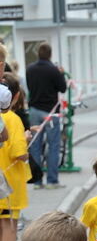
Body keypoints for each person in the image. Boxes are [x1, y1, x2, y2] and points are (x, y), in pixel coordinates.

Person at [0, 74, 33, 241]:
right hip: (9, 184)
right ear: (16, 96)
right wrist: (27, 139)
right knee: (10, 229)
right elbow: (19, 153)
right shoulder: (12, 119)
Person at [26, 42, 67, 188]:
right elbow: (62, 88)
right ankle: (52, 180)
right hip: (50, 112)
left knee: (35, 146)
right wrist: (61, 74)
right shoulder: (53, 70)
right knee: (53, 145)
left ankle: (37, 181)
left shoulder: (30, 69)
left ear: (38, 53)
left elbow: (30, 87)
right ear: (50, 54)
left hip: (34, 111)